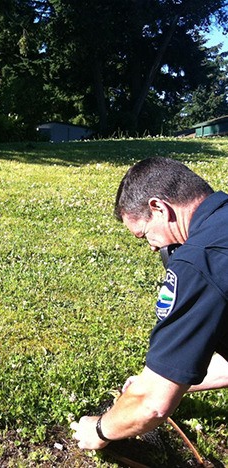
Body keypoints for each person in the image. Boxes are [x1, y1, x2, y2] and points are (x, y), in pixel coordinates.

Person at [71, 157, 228, 450]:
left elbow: (151, 406)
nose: (153, 246)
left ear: (159, 208)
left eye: (144, 234)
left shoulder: (199, 262)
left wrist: (99, 430)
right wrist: (176, 378)